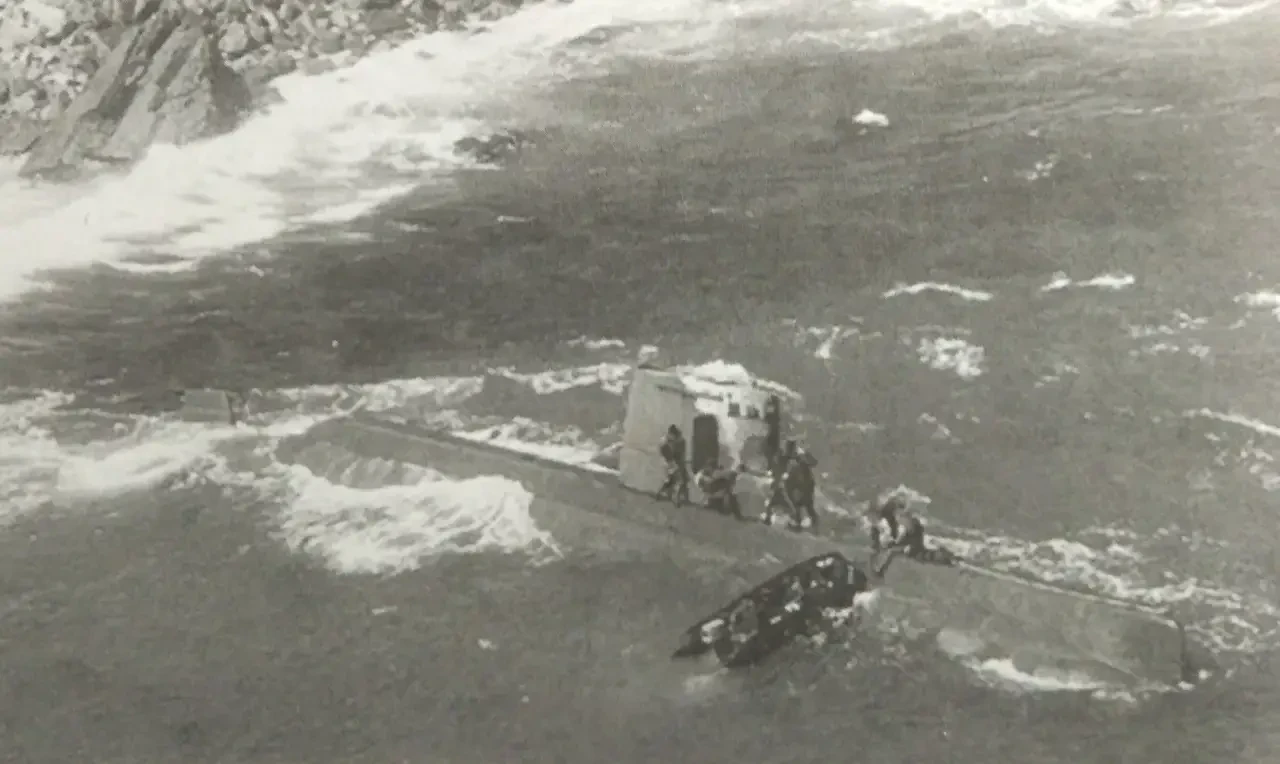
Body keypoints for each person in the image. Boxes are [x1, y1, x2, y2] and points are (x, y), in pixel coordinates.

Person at [655, 424, 689, 506]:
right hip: (671, 462)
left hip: (670, 462)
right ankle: (675, 498)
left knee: (670, 480)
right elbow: (670, 455)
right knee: (679, 481)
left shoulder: (666, 439)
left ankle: (660, 494)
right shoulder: (666, 441)